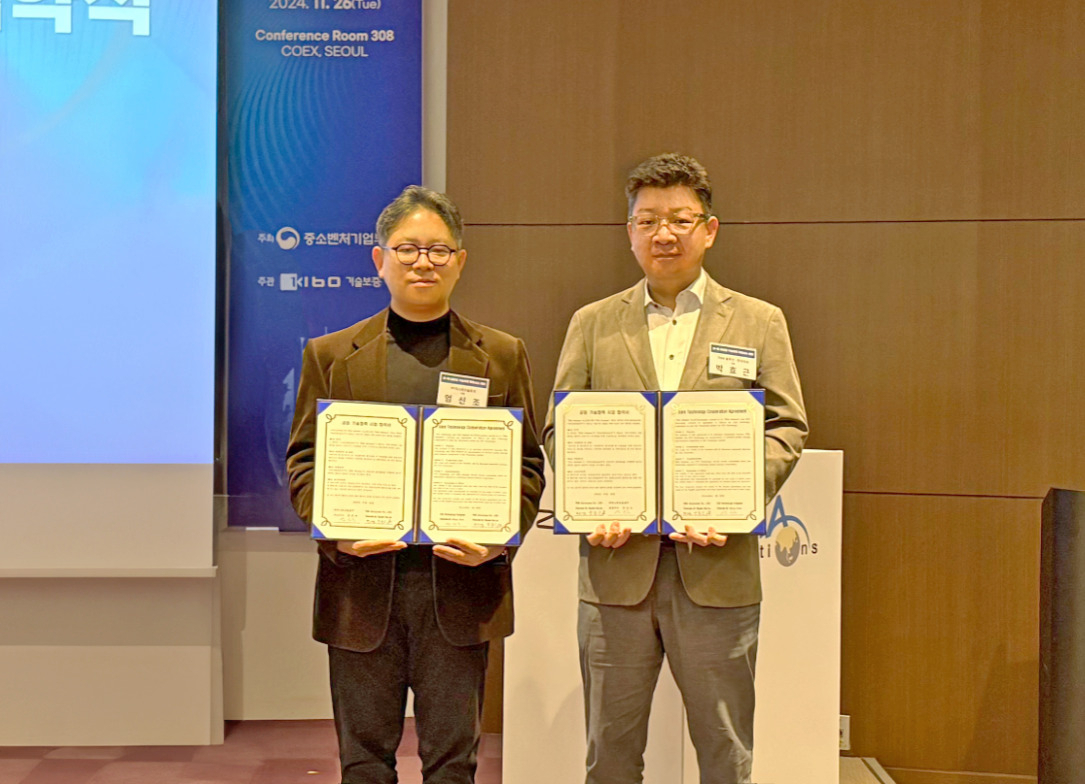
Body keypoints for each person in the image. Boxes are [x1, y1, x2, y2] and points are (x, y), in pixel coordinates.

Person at [542, 153, 808, 784]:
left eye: (680, 220)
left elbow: (787, 427)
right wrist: (588, 500)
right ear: (629, 231)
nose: (664, 234)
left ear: (709, 229)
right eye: (648, 220)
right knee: (609, 754)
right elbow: (561, 428)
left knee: (725, 753)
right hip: (615, 571)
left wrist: (733, 498)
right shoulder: (592, 322)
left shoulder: (758, 321)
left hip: (717, 573)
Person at [286, 185, 545, 784]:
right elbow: (303, 460)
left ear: (460, 259)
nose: (422, 262)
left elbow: (528, 465)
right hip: (360, 586)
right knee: (363, 763)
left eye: (437, 249)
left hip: (460, 586)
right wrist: (337, 530)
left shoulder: (501, 356)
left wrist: (500, 536)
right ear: (379, 260)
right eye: (407, 249)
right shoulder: (330, 356)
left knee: (454, 764)